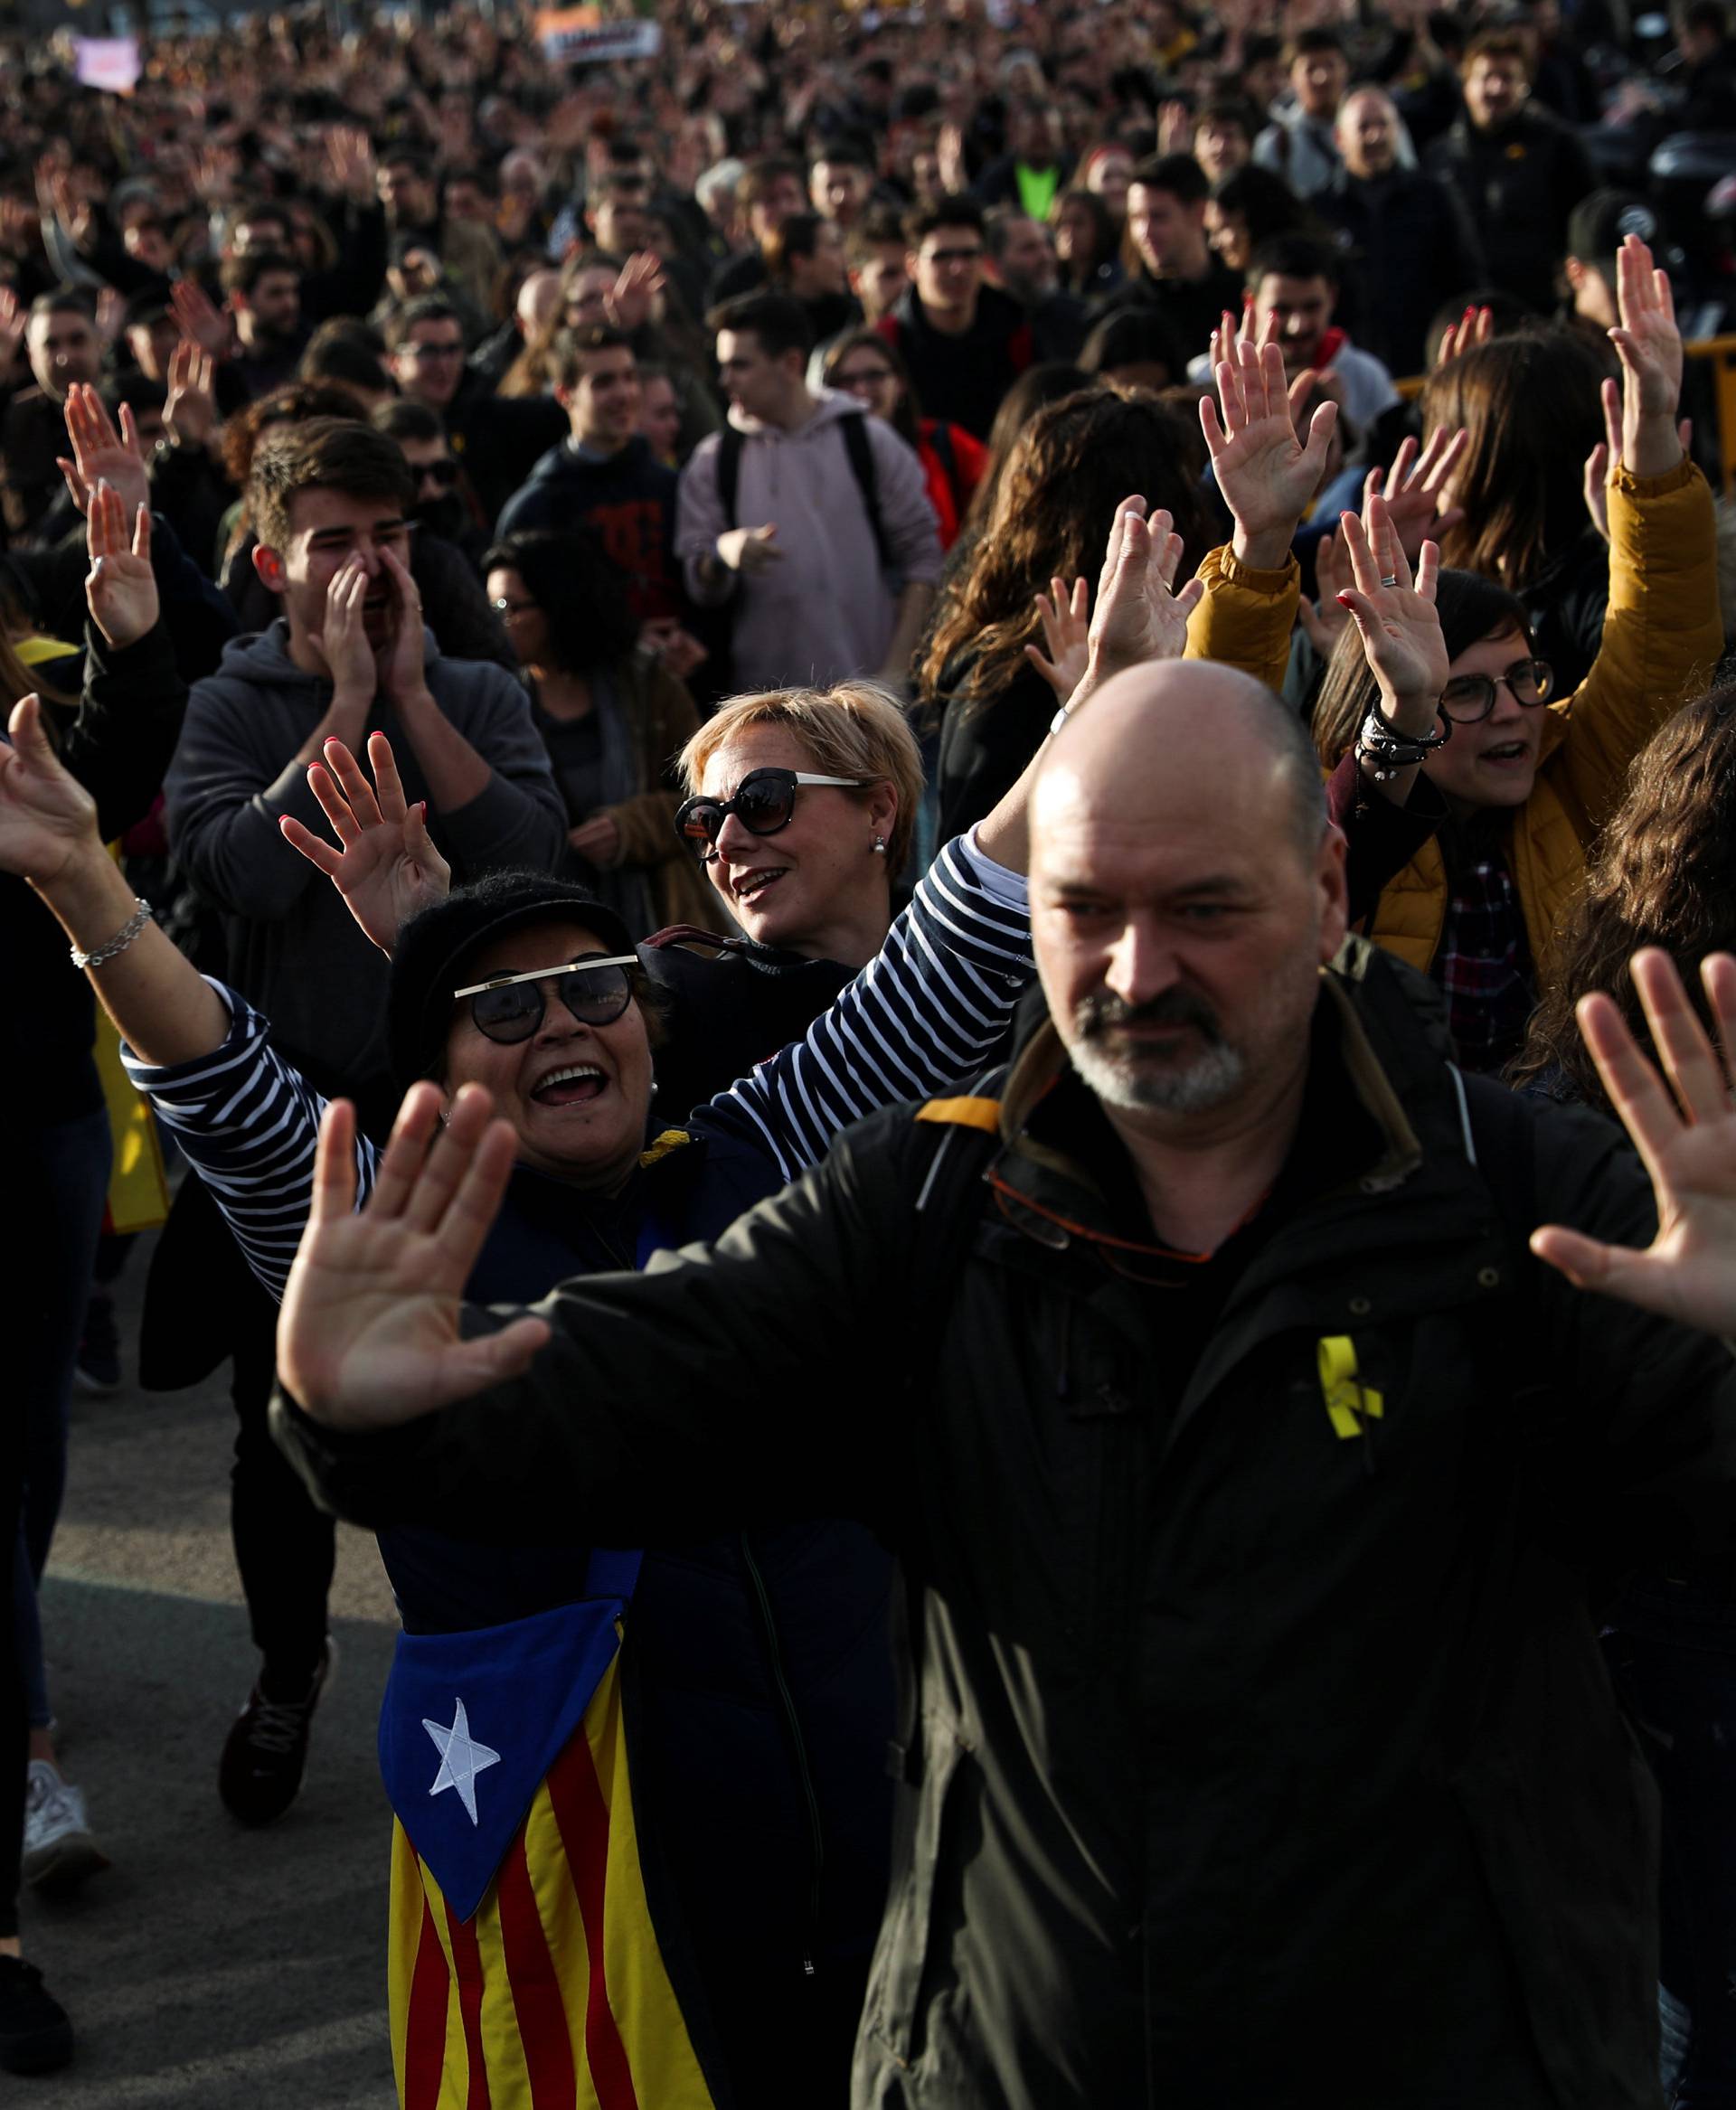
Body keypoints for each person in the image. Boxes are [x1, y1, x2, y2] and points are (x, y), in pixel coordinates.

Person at [269, 564, 1736, 2110]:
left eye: (1203, 906)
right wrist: (371, 1408)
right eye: (1084, 906)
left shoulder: (1520, 1199)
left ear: (1325, 885)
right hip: (1028, 2058)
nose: (1134, 969)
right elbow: (646, 1374)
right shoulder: (930, 1215)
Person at [0, 627, 1080, 2104]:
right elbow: (227, 1087)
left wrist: (1136, 680)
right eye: (504, 1008)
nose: (564, 1018)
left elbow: (955, 950)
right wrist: (80, 875)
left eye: (595, 987)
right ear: (440, 1069)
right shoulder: (397, 1228)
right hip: (590, 1876)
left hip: (868, 1827)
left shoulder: (760, 1144)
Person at [162, 418, 566, 1826]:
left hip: (457, 1124)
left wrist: (410, 692)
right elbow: (231, 879)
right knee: (281, 1433)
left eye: (389, 535)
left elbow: (533, 860)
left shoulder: (469, 683)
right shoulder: (232, 704)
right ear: (274, 562)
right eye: (334, 540)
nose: (368, 563)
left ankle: (482, 1678)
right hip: (294, 1137)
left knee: (467, 1412)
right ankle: (288, 1667)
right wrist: (339, 704)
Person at [1307, 238, 1722, 1075]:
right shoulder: (1344, 821)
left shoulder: (1573, 768)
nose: (1509, 711)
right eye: (1463, 692)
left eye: (1523, 679)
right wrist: (1257, 547)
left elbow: (1658, 636)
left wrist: (1652, 467)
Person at [0, 485, 179, 2077]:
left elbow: (99, 787)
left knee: (31, 1461)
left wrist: (130, 639)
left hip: (39, 1126)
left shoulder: (15, 692)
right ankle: (31, 1758)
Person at [926, 357, 1324, 840]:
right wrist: (1085, 711)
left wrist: (1265, 538)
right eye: (1188, 481)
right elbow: (975, 883)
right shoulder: (1014, 671)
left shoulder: (1001, 650)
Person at [675, 292, 942, 694]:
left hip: (870, 709)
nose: (724, 380)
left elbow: (922, 561)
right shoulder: (714, 461)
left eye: (740, 365)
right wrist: (723, 554)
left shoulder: (869, 441)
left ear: (791, 365)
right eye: (723, 366)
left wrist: (893, 675)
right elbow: (698, 582)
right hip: (766, 715)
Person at [483, 528, 712, 937]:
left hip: (660, 921)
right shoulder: (498, 701)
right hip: (547, 925)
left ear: (558, 605)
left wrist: (632, 828)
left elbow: (707, 801)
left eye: (509, 606)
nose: (499, 623)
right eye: (492, 608)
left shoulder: (647, 687)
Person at [494, 325, 683, 626]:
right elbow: (510, 615)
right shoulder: (536, 510)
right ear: (564, 394)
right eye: (603, 382)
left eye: (629, 377)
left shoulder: (671, 487)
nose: (623, 393)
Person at [1316, 86, 1485, 377]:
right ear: (1339, 138)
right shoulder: (1319, 212)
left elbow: (1466, 278)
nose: (1375, 135)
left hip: (1427, 365)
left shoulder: (1435, 197)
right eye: (1364, 126)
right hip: (1349, 373)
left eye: (1383, 124)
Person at [1425, 30, 1598, 308]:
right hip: (1464, 308)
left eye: (1507, 78)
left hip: (1540, 305)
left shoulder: (1559, 145)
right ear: (1466, 84)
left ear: (1524, 85)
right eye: (1485, 78)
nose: (1496, 88)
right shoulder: (1439, 156)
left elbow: (1586, 216)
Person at [385, 297, 564, 525]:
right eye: (428, 352)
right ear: (394, 362)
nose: (444, 364)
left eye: (452, 350)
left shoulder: (487, 413)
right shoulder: (376, 429)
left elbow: (565, 414)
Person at [873, 195, 1035, 441]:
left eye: (969, 255)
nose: (957, 268)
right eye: (942, 257)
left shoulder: (1016, 332)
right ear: (913, 266)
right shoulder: (888, 343)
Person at [822, 331, 987, 551]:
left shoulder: (945, 442)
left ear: (899, 383)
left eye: (874, 376)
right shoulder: (815, 459)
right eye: (847, 381)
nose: (861, 390)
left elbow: (998, 499)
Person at [1115, 155, 1245, 362]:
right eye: (1136, 218)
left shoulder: (1243, 297)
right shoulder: (1120, 312)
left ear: (1199, 212)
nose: (1144, 232)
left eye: (1158, 216)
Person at [1251, 28, 1352, 198]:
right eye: (1310, 69)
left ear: (1347, 70)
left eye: (1330, 65)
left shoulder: (1379, 127)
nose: (1322, 77)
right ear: (1291, 78)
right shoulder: (1275, 145)